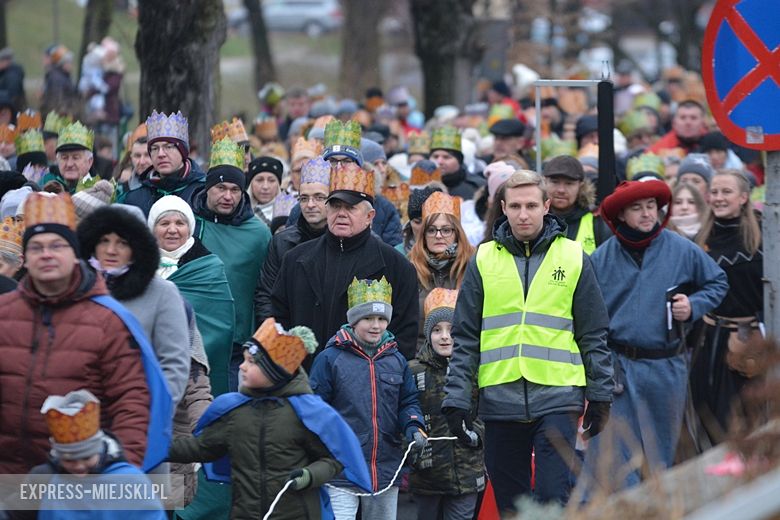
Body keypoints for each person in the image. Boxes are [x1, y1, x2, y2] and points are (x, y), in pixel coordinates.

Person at [442, 170, 613, 512]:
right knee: (512, 507)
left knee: (552, 497)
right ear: (503, 207)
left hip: (558, 396)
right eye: (516, 206)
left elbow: (593, 332)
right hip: (500, 398)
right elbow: (465, 337)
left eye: (532, 205)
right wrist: (457, 398)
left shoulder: (574, 256)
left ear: (547, 206)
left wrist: (600, 395)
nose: (524, 214)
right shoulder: (484, 258)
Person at [0, 193, 168, 474]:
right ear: (25, 259)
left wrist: (121, 474)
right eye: (37, 247)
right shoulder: (4, 312)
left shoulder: (107, 320)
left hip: (78, 482)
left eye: (57, 245)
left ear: (75, 254)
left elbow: (131, 403)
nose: (47, 254)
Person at [579, 180, 728, 495]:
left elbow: (717, 281)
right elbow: (586, 313)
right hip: (617, 367)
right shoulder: (602, 258)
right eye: (637, 207)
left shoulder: (681, 248)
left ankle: (660, 508)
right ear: (621, 215)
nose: (647, 214)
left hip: (665, 365)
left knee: (661, 453)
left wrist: (694, 304)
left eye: (651, 206)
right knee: (613, 455)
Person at [168, 318, 350, 520]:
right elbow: (203, 448)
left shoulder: (304, 415)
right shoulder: (235, 412)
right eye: (243, 360)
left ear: (274, 372)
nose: (242, 367)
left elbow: (333, 460)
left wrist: (310, 475)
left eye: (251, 362)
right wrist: (156, 448)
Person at [271, 161, 419, 362]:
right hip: (304, 380)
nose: (341, 213)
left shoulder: (397, 267)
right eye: (335, 205)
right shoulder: (296, 259)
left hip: (365, 383)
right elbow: (278, 320)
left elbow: (403, 338)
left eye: (350, 207)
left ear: (369, 216)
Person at [309, 277, 426, 519]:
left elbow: (408, 401)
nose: (376, 325)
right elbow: (315, 408)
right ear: (353, 320)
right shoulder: (331, 359)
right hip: (341, 469)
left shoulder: (397, 360)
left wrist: (413, 425)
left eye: (382, 319)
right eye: (368, 319)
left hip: (385, 468)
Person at [77, 205, 190, 407]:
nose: (111, 250)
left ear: (136, 247)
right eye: (104, 241)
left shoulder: (162, 292)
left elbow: (174, 365)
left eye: (122, 242)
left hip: (136, 414)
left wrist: (153, 415)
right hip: (76, 415)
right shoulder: (77, 287)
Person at [189, 137, 271, 390]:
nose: (227, 196)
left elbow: (265, 288)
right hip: (193, 336)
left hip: (237, 343)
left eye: (235, 190)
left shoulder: (258, 234)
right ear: (208, 188)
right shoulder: (188, 224)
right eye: (221, 188)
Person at [690, 170, 763, 441]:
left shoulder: (765, 237)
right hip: (707, 341)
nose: (719, 198)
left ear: (744, 197)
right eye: (715, 192)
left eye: (726, 192)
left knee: (745, 418)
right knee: (707, 416)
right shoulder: (700, 240)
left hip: (752, 340)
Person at [28, 390, 166, 520]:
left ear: (98, 451)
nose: (79, 467)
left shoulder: (129, 481)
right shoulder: (54, 484)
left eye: (87, 458)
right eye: (69, 461)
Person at [410, 289, 485, 520]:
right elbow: (406, 409)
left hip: (468, 469)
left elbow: (486, 410)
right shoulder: (414, 371)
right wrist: (413, 443)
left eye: (451, 330)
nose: (445, 336)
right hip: (428, 472)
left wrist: (477, 435)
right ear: (427, 334)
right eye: (436, 330)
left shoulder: (477, 370)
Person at [255, 157, 329, 324]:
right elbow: (266, 294)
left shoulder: (342, 240)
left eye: (319, 197)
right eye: (304, 198)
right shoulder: (282, 242)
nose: (310, 205)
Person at [409, 192, 474, 351]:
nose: (438, 236)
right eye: (431, 230)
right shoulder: (409, 268)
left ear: (456, 232)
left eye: (446, 230)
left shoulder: (473, 266)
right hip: (420, 359)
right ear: (423, 234)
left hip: (463, 356)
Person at [124, 111, 206, 216]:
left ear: (183, 152)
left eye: (168, 147)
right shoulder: (135, 199)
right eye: (154, 148)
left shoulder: (202, 194)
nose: (161, 154)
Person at [542, 155, 612, 254]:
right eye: (555, 182)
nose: (561, 190)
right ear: (544, 183)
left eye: (569, 183)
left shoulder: (597, 223)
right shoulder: (532, 218)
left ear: (581, 186)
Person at [430, 126, 486, 200]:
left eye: (446, 157)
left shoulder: (477, 186)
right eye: (435, 156)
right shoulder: (420, 186)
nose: (439, 162)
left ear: (459, 161)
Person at [41, 121, 96, 193]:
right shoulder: (44, 185)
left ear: (89, 161)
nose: (69, 164)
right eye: (64, 157)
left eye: (76, 157)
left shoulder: (99, 192)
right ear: (57, 160)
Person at [247, 156, 283, 226]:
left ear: (278, 185)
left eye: (271, 180)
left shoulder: (289, 213)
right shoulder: (239, 212)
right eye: (259, 180)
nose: (265, 187)